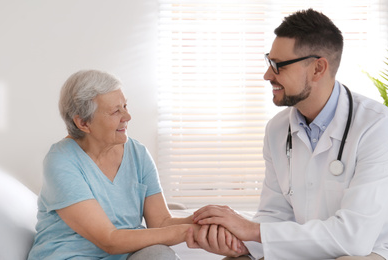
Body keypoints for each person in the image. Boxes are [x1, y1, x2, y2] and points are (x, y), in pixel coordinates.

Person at [187, 9, 388, 260]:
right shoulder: (277, 129)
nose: (267, 75)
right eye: (268, 61)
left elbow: (355, 238)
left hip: (376, 250)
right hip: (305, 249)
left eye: (278, 66)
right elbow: (274, 214)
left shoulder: (377, 127)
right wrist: (240, 244)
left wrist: (252, 230)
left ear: (318, 68)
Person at [27, 70, 241, 260]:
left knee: (160, 255)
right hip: (71, 255)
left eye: (125, 106)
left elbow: (161, 223)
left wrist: (204, 221)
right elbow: (108, 240)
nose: (127, 116)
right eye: (115, 112)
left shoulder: (138, 154)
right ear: (83, 123)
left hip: (127, 255)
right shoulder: (61, 161)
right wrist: (188, 232)